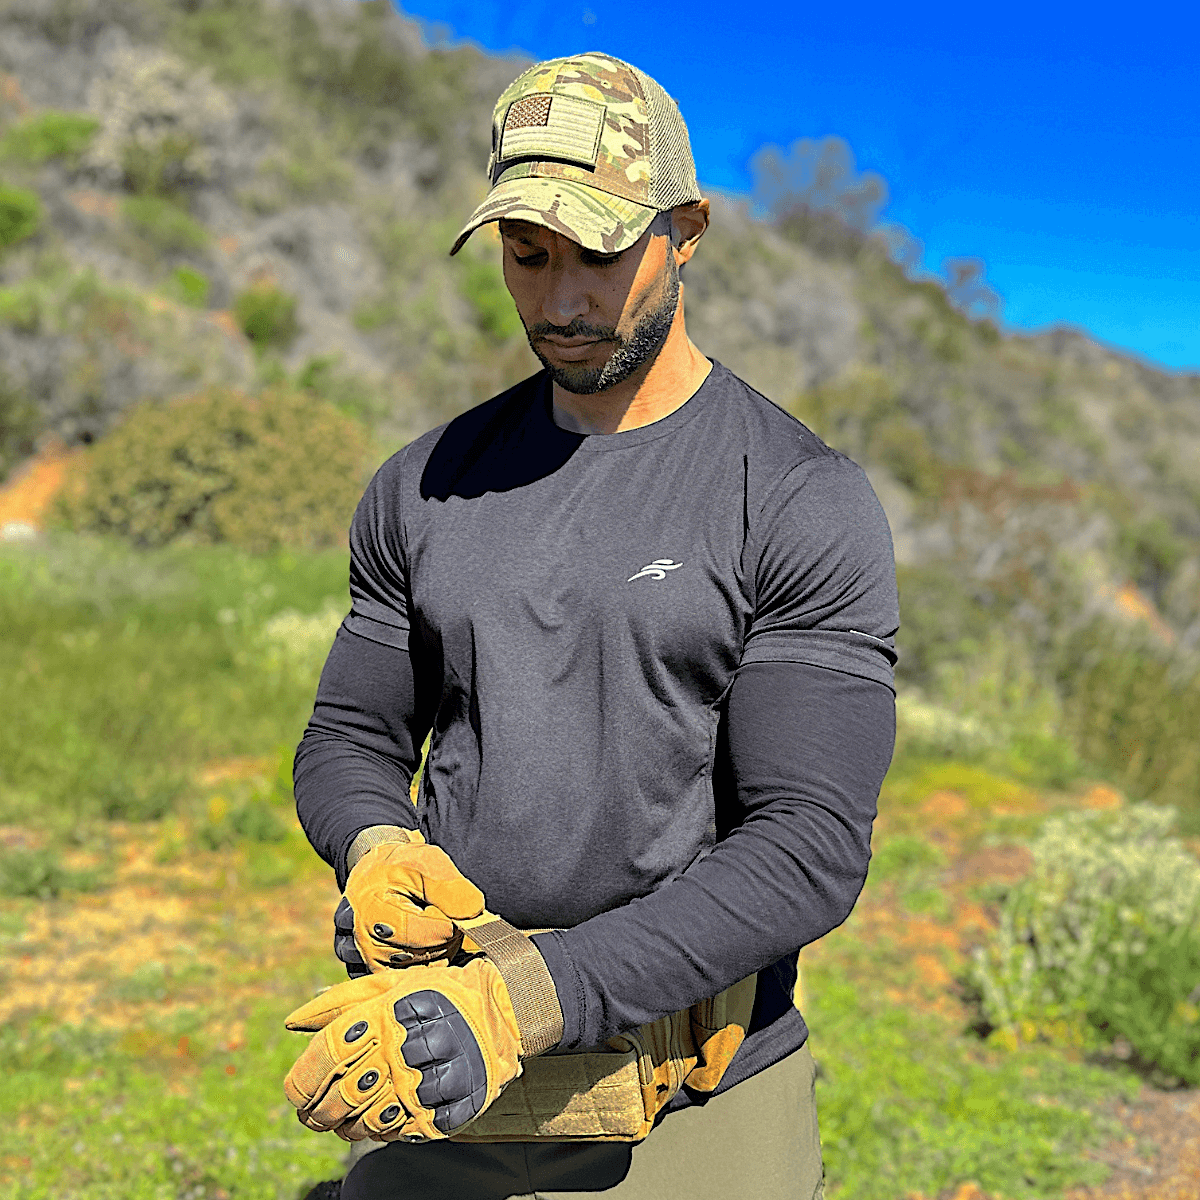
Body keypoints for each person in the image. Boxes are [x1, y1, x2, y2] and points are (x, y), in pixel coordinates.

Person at [287, 51, 898, 1200]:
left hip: (687, 1093)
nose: (561, 300)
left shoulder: (799, 495)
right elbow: (350, 739)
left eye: (601, 253)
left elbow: (810, 844)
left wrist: (527, 1001)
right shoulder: (425, 486)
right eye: (529, 255)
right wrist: (375, 848)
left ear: (687, 231)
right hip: (447, 1067)